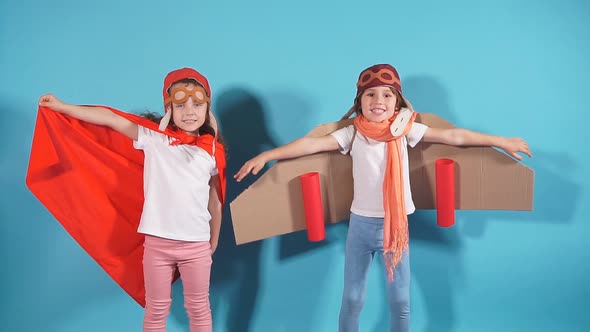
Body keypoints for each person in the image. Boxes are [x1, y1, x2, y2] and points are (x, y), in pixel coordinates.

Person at [234, 64, 532, 332]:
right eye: (370, 95)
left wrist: (501, 141)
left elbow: (455, 138)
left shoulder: (405, 130)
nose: (378, 101)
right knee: (352, 298)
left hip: (396, 226)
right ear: (359, 102)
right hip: (360, 226)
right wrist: (268, 155)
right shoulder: (352, 134)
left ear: (397, 103)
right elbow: (311, 145)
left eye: (387, 95)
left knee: (400, 300)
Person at [37, 67, 225, 332]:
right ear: (169, 109)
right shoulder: (154, 139)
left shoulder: (212, 151)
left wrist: (213, 240)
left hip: (195, 245)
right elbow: (110, 118)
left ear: (208, 108)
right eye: (180, 105)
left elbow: (215, 200)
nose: (190, 111)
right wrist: (63, 106)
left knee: (198, 307)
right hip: (157, 245)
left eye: (197, 104)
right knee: (156, 308)